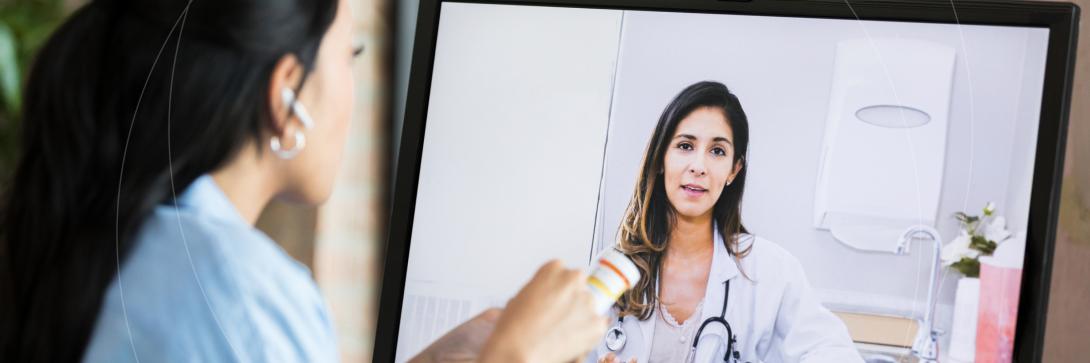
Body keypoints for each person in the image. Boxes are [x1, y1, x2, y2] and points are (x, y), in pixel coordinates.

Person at [0, 0, 603, 361]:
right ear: (287, 92)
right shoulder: (238, 293)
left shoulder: (125, 243)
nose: (351, 85)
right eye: (350, 56)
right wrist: (514, 356)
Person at [589, 81, 862, 363]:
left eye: (717, 151)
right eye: (685, 145)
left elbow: (835, 353)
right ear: (660, 159)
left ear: (734, 170)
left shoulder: (771, 270)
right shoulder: (610, 269)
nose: (699, 166)